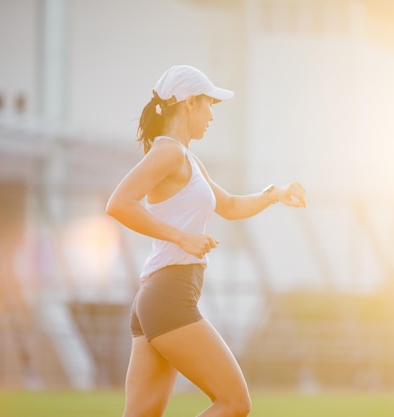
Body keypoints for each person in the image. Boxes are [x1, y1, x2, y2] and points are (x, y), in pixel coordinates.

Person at [106, 64, 306, 417]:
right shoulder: (169, 153)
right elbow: (119, 204)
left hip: (156, 297)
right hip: (168, 296)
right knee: (234, 402)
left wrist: (274, 193)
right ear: (189, 103)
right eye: (209, 104)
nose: (212, 115)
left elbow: (228, 205)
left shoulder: (189, 159)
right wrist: (181, 237)